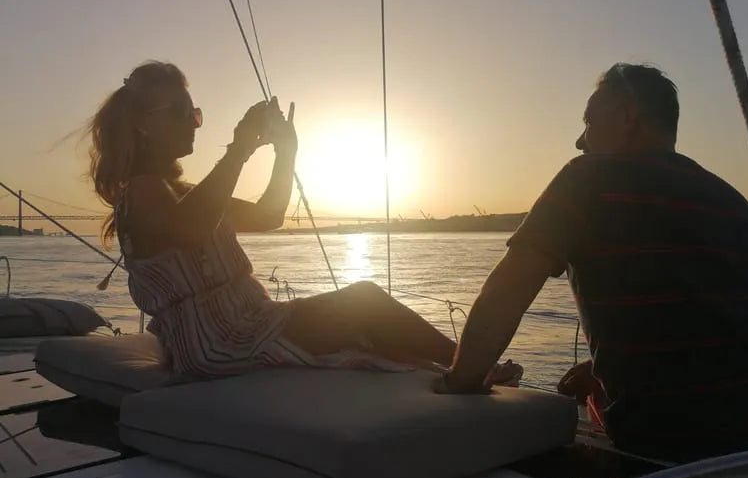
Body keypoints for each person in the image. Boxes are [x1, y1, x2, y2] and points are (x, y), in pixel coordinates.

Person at [432, 62, 748, 462]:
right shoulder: (729, 200)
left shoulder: (586, 179)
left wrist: (461, 384)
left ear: (626, 117)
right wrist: (605, 363)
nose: (579, 141)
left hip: (663, 433)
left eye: (588, 122)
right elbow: (715, 315)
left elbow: (509, 290)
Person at [88, 60, 523, 382]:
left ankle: (461, 369)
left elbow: (269, 215)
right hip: (220, 342)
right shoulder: (144, 190)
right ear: (144, 126)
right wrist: (239, 148)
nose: (196, 124)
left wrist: (285, 151)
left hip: (244, 327)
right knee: (365, 301)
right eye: (184, 113)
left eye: (196, 112)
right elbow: (192, 229)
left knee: (367, 323)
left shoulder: (178, 193)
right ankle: (473, 369)